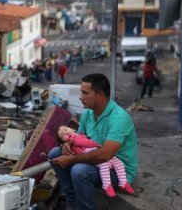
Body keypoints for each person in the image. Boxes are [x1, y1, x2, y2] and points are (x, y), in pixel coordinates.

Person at [48, 73, 138, 210]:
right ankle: (74, 204)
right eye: (81, 92)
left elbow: (106, 155)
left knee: (79, 171)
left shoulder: (119, 118)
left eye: (85, 93)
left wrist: (71, 159)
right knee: (54, 153)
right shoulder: (87, 114)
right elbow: (77, 140)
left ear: (100, 95)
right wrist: (67, 145)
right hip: (96, 163)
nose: (80, 97)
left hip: (116, 170)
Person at [57, 126, 134, 197]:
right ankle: (106, 185)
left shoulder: (78, 134)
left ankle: (123, 182)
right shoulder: (73, 138)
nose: (66, 132)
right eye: (63, 135)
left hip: (95, 151)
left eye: (65, 129)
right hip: (88, 152)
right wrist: (96, 144)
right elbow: (84, 142)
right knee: (103, 164)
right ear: (63, 140)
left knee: (118, 162)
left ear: (72, 128)